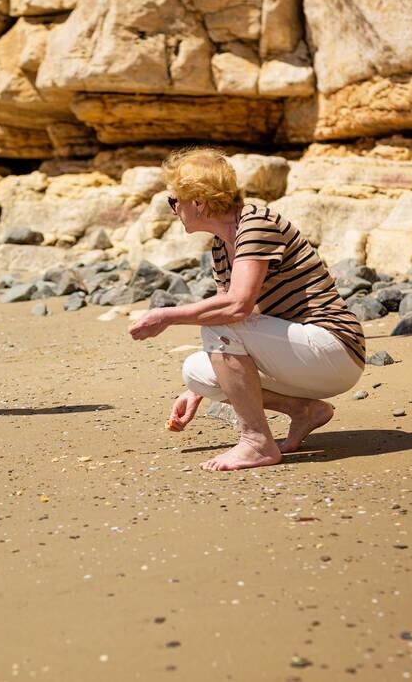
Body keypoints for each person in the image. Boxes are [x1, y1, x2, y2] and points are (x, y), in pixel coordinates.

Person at [128, 147, 365, 472]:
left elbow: (237, 307)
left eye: (174, 202)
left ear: (199, 202)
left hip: (333, 348)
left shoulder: (256, 224)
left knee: (218, 323)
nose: (173, 211)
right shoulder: (221, 246)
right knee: (196, 372)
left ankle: (256, 442)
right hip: (300, 356)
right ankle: (305, 410)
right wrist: (197, 392)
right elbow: (234, 320)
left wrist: (166, 316)